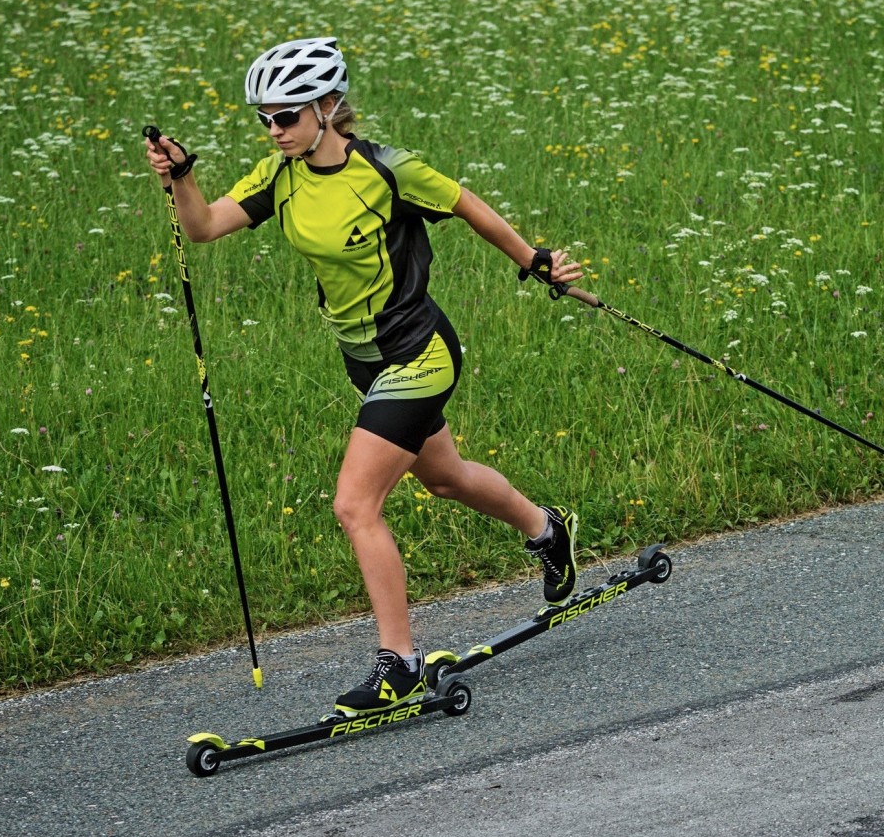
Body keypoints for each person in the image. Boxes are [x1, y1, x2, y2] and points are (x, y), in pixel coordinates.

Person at [145, 36, 584, 716]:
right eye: (264, 118)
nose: (274, 130)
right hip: (365, 361)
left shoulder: (387, 171)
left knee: (355, 504)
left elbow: (466, 204)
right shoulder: (278, 177)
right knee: (444, 477)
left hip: (419, 353)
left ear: (325, 107)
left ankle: (399, 662)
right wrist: (181, 176)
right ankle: (547, 530)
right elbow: (202, 228)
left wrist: (536, 260)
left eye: (285, 116)